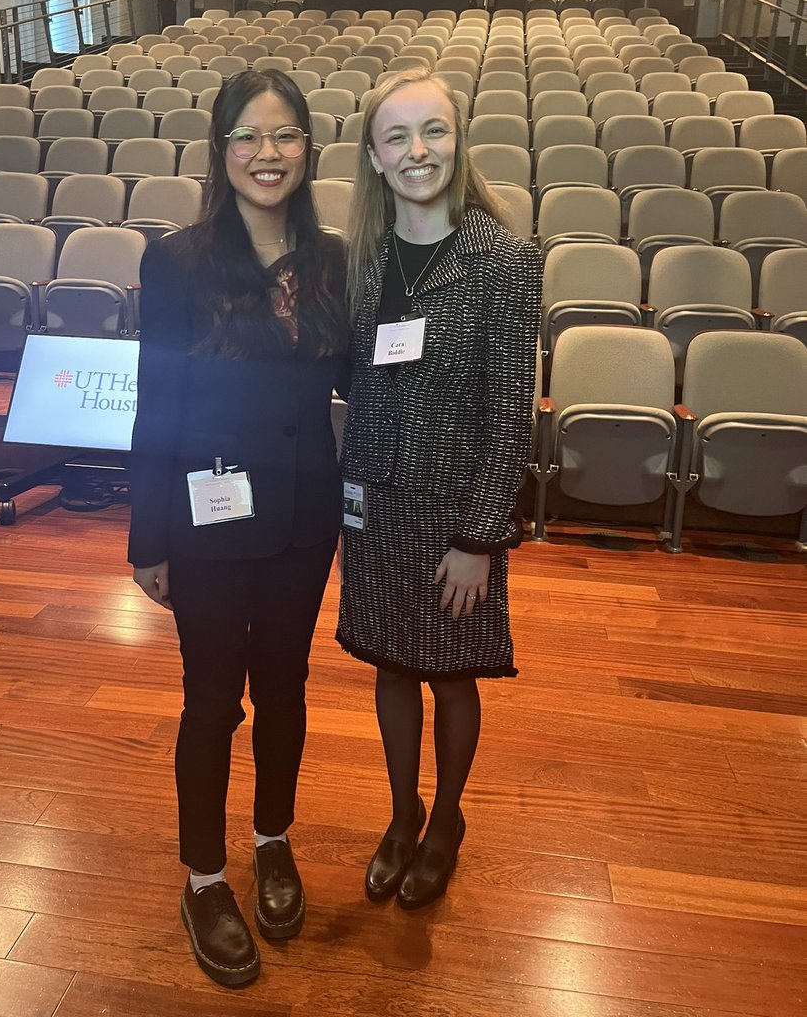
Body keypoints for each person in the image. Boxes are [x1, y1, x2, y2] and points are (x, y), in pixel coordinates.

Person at [129, 69, 349, 987]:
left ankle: (272, 839)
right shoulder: (178, 258)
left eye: (286, 134)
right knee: (213, 702)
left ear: (309, 146)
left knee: (287, 691)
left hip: (303, 517)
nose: (269, 153)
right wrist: (148, 537)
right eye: (249, 137)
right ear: (222, 152)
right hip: (207, 517)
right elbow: (158, 398)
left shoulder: (333, 256)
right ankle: (205, 877)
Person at [337, 67, 541, 910]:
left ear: (457, 143)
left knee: (451, 675)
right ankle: (401, 813)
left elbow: (509, 415)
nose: (417, 151)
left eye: (433, 132)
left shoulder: (506, 258)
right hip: (374, 506)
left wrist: (479, 538)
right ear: (376, 159)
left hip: (457, 515)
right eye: (397, 137)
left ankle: (447, 818)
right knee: (390, 667)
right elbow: (353, 383)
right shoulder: (362, 260)